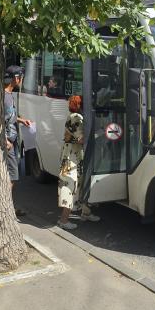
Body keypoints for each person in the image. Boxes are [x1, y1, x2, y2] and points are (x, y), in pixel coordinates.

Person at [57, 95, 99, 229]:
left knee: (82, 183)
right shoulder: (76, 117)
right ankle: (63, 221)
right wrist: (100, 133)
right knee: (70, 185)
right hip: (71, 158)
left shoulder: (74, 116)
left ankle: (85, 212)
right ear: (80, 105)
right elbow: (82, 139)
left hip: (76, 155)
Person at [4, 66, 31, 217]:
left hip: (12, 140)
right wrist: (5, 140)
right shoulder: (4, 96)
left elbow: (9, 117)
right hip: (7, 141)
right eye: (20, 77)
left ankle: (7, 206)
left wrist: (21, 120)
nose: (21, 80)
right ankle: (6, 209)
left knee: (10, 174)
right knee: (13, 175)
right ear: (16, 78)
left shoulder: (9, 94)